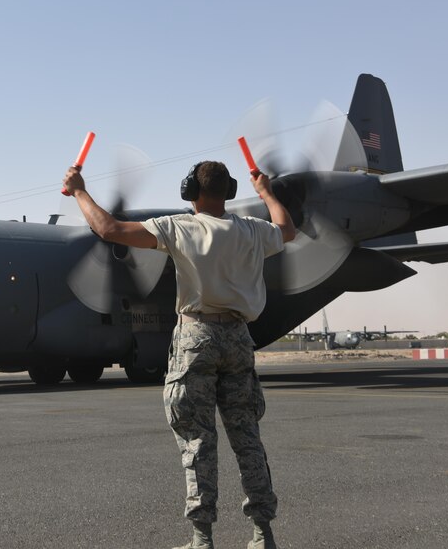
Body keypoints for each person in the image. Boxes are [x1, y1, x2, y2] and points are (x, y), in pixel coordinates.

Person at [62, 160, 296, 549]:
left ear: (191, 191)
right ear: (228, 191)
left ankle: (202, 539)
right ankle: (262, 534)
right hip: (239, 338)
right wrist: (268, 193)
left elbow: (108, 229)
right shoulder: (253, 231)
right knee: (247, 438)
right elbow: (287, 229)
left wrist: (79, 191)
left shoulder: (180, 226)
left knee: (197, 440)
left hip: (197, 337)